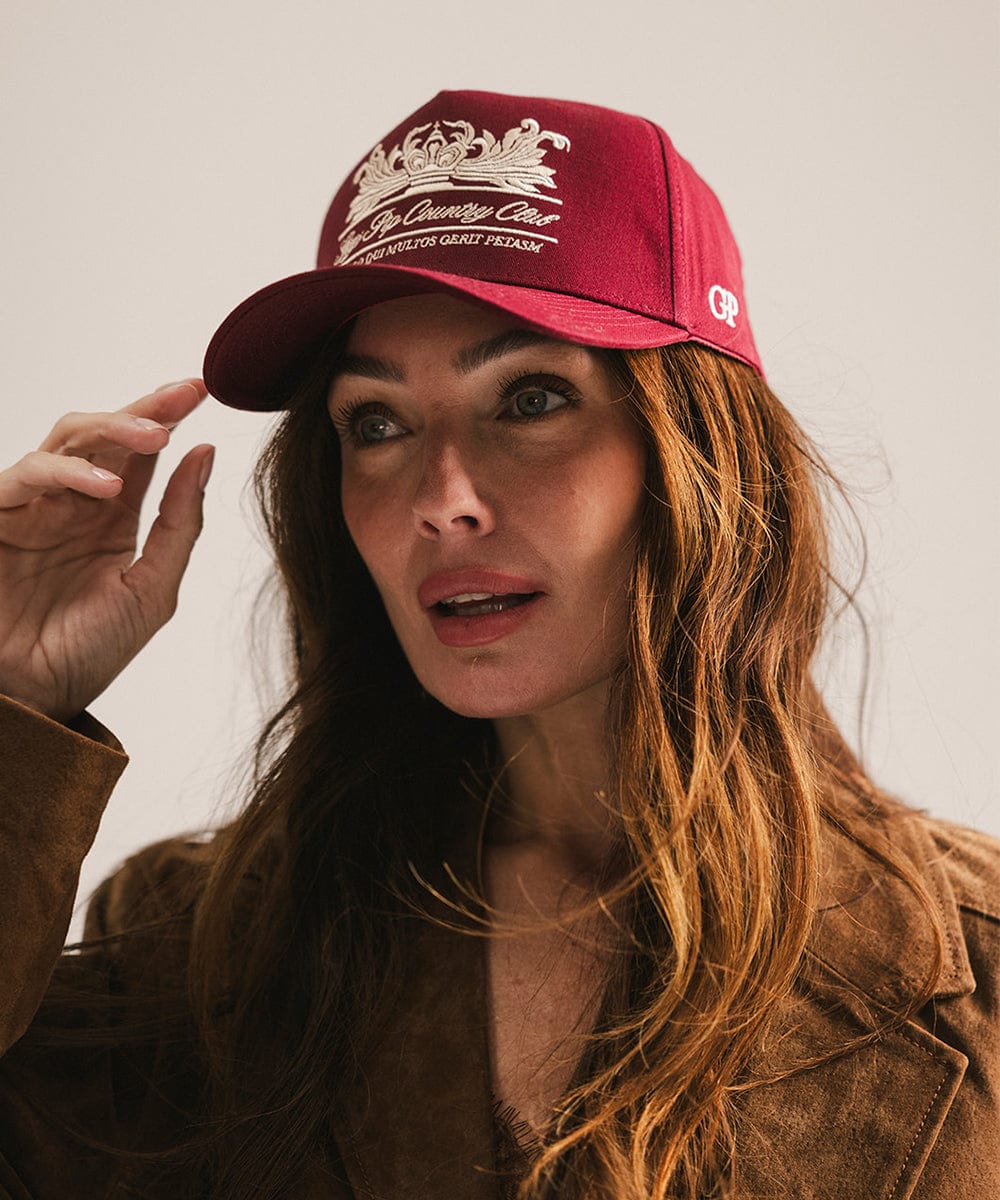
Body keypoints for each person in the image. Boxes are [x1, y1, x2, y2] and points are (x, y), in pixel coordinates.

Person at [0, 89, 997, 1200]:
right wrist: (13, 702)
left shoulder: (985, 975)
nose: (443, 499)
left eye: (528, 399)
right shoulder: (194, 950)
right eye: (375, 423)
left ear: (699, 459)